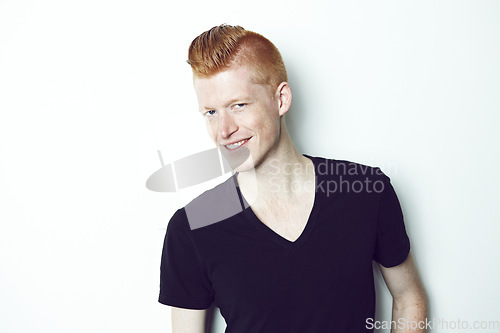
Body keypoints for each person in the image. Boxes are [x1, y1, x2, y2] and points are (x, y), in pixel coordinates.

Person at [158, 24, 427, 332]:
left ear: (280, 99)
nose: (223, 130)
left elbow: (409, 297)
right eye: (211, 112)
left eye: (239, 105)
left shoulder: (366, 191)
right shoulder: (191, 226)